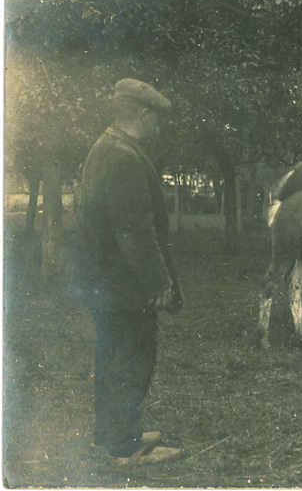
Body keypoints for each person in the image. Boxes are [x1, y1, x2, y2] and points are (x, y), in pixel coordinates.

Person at [74, 78, 184, 464]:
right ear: (142, 114)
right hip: (123, 284)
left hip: (106, 283)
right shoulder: (124, 157)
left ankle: (113, 434)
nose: (160, 126)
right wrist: (158, 282)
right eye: (157, 118)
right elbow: (133, 230)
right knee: (132, 359)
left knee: (112, 357)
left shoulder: (107, 146)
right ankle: (125, 447)